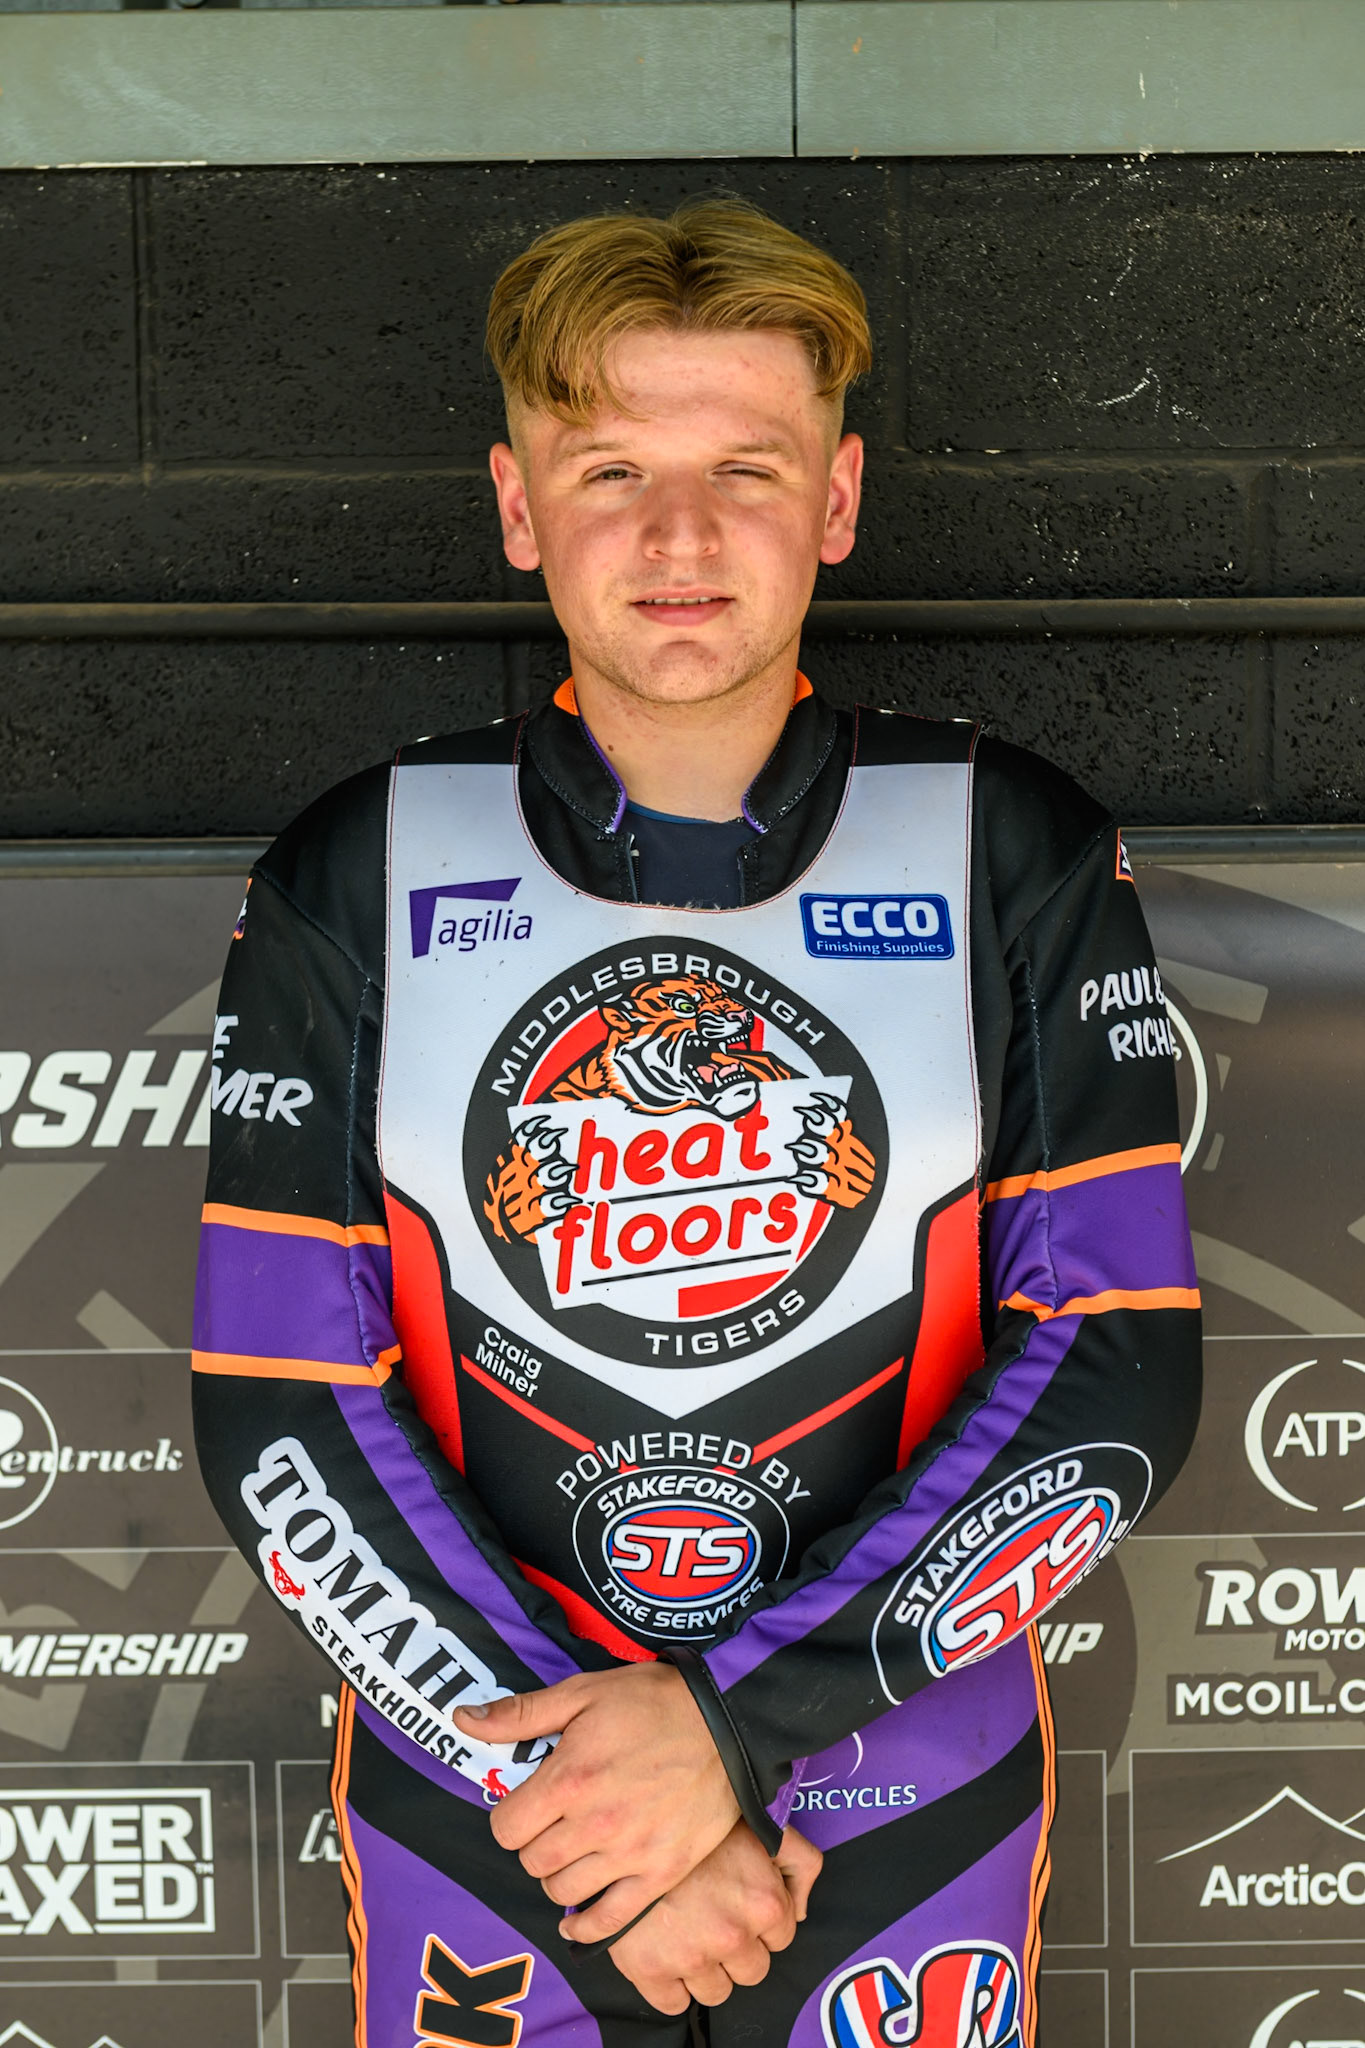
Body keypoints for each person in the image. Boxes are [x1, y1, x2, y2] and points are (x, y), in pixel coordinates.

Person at [193, 199, 1201, 2047]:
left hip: (896, 1776)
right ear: (517, 506)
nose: (677, 536)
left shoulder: (1008, 842)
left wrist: (731, 1726)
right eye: (610, 472)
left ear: (836, 500)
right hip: (496, 1794)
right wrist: (593, 1794)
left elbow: (1116, 1356)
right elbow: (279, 1401)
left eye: (745, 467)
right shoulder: (361, 862)